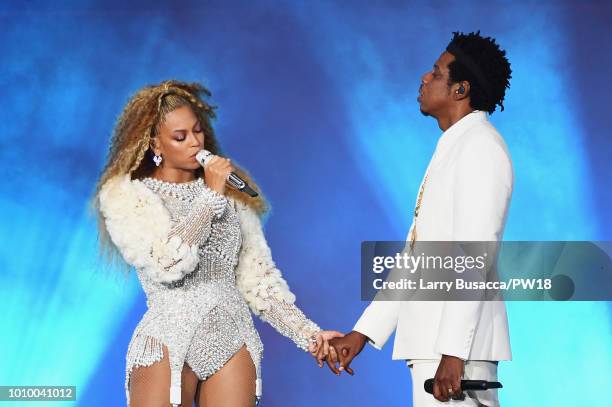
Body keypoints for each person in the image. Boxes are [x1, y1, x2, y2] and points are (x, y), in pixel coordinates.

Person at [92, 80, 342, 407]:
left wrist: (309, 335)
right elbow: (167, 264)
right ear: (155, 144)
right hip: (168, 337)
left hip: (232, 334)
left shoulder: (232, 197)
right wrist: (210, 198)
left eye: (198, 132)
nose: (195, 142)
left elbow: (259, 280)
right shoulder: (127, 195)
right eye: (180, 137)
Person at [322, 31, 514, 406]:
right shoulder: (454, 146)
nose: (425, 78)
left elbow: (474, 256)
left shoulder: (480, 149)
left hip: (456, 356)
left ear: (461, 90)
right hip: (436, 350)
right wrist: (362, 333)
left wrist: (455, 353)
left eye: (436, 72)